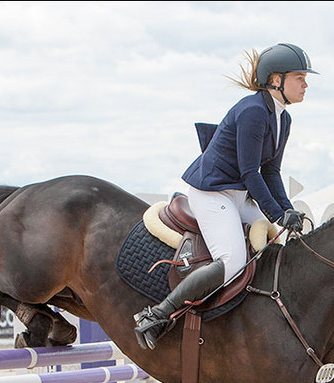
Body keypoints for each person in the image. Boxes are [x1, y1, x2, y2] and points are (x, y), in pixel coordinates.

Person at [134, 43, 317, 350]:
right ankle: (156, 315)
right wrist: (275, 212)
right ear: (276, 80)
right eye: (299, 77)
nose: (305, 84)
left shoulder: (282, 118)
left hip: (240, 193)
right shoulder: (253, 111)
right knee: (232, 260)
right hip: (212, 192)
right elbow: (250, 171)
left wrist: (287, 212)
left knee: (277, 241)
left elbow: (271, 171)